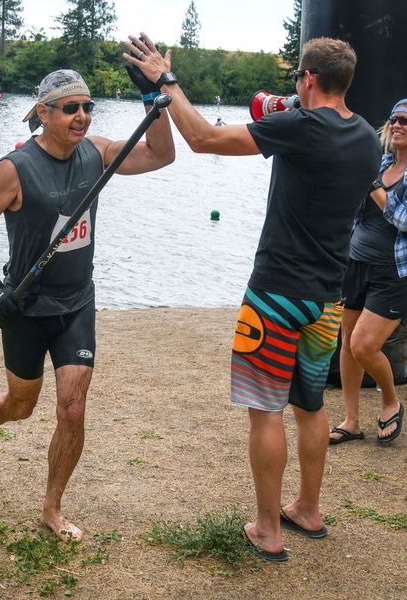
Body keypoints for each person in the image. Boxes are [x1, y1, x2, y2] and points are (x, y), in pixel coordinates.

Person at [126, 33, 380, 562]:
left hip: (275, 295)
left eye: (298, 79)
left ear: (308, 78)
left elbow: (201, 138)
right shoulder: (365, 137)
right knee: (310, 409)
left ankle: (268, 528)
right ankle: (308, 509)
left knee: (265, 412)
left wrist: (164, 83)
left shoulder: (300, 127)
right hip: (327, 300)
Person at [0, 66, 174, 542]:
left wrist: (153, 94)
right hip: (26, 306)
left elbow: (161, 154)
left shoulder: (97, 154)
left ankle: (51, 508)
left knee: (72, 410)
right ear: (43, 113)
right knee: (19, 406)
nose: (82, 116)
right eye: (70, 108)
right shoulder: (13, 169)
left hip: (76, 303)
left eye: (88, 107)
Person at [330, 99, 407, 446]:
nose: (397, 125)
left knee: (364, 345)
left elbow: (406, 219)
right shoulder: (380, 163)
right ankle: (351, 421)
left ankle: (390, 400)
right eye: (394, 119)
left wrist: (373, 186)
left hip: (399, 268)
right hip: (358, 261)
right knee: (347, 345)